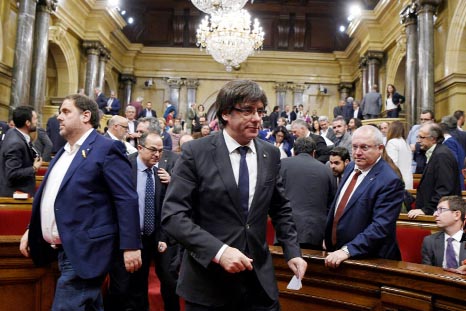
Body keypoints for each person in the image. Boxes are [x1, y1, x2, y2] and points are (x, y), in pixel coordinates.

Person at [161, 80, 307, 310]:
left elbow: (280, 208)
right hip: (209, 283)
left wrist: (292, 251)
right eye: (247, 110)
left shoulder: (270, 153)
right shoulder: (195, 152)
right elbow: (173, 216)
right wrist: (219, 252)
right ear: (226, 113)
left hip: (259, 284)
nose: (257, 118)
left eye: (260, 111)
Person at [19, 94, 142, 310]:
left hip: (87, 250)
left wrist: (131, 246)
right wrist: (33, 228)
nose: (59, 117)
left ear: (86, 116)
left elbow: (126, 198)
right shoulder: (64, 152)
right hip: (63, 249)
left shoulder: (107, 149)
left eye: (66, 112)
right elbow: (54, 196)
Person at [106, 132, 180, 311]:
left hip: (149, 239)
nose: (157, 155)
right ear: (140, 148)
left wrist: (161, 236)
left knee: (140, 288)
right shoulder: (125, 166)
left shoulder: (160, 173)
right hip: (124, 239)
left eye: (161, 151)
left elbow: (162, 208)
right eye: (153, 150)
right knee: (121, 289)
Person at [324, 125, 404, 268]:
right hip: (338, 254)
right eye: (354, 147)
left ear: (380, 148)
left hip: (370, 260)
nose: (357, 153)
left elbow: (380, 226)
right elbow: (339, 206)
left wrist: (347, 250)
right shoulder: (350, 167)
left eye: (364, 147)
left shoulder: (390, 180)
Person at [280, 137, 336, 250]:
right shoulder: (327, 170)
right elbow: (332, 203)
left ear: (294, 151)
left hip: (285, 226)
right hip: (315, 230)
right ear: (314, 153)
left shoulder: (281, 165)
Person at [408, 123, 462, 218]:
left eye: (421, 137)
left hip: (440, 215)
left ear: (433, 138)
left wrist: (426, 210)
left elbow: (444, 189)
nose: (418, 141)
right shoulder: (437, 152)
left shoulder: (442, 155)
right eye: (418, 137)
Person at [0, 106, 42, 197]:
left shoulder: (13, 132)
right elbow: (12, 173)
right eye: (35, 119)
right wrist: (34, 168)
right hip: (15, 196)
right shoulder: (16, 143)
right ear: (27, 122)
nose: (37, 122)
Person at [421, 196, 466, 268]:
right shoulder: (430, 241)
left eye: (441, 210)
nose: (435, 214)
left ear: (457, 215)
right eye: (436, 210)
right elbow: (427, 272)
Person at [385, 121, 413, 189]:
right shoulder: (405, 143)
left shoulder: (392, 142)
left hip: (397, 181)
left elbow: (392, 164)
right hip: (408, 180)